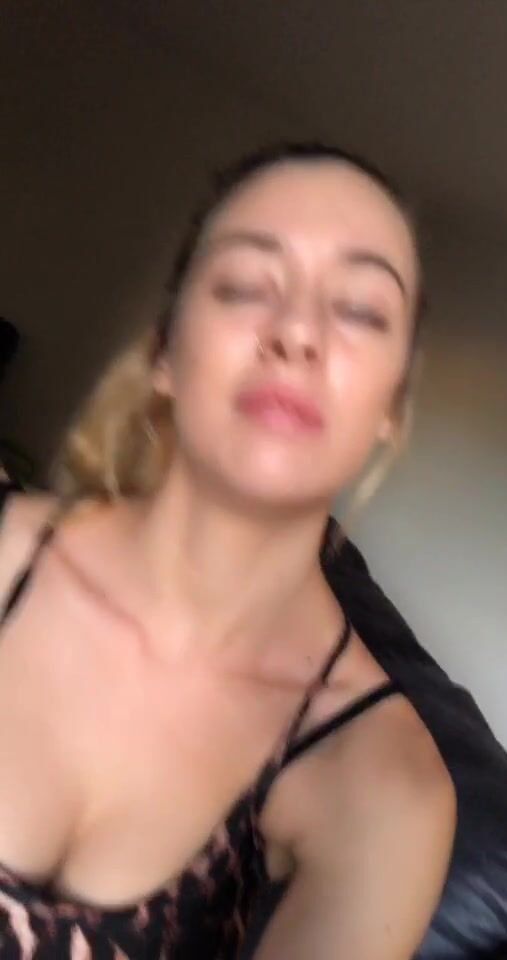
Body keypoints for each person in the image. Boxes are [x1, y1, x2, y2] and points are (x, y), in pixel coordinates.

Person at [0, 142, 456, 959]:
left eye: (360, 309)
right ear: (163, 352)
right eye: (246, 285)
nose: (298, 332)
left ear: (393, 405)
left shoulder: (385, 786)